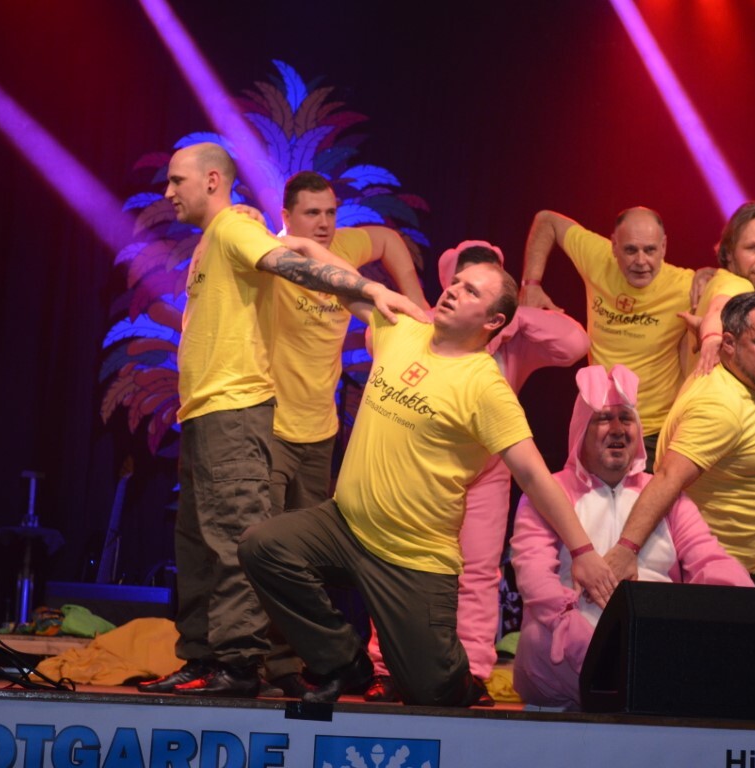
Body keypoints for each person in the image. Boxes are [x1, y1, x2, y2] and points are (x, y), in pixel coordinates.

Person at [238, 260, 617, 707]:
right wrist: (365, 285)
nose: (453, 291)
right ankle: (344, 663)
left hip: (413, 556)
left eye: (471, 291)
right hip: (343, 527)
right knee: (263, 547)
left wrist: (583, 552)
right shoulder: (402, 329)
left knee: (432, 693)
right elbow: (334, 279)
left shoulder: (485, 386)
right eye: (455, 282)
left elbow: (533, 474)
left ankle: (460, 682)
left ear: (494, 321)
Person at [136, 142, 426, 699]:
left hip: (236, 411)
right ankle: (203, 656)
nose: (168, 192)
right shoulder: (217, 236)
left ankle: (242, 663)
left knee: (233, 543)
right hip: (203, 413)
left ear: (213, 180)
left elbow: (285, 262)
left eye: (176, 180)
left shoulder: (232, 228)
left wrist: (371, 288)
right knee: (196, 545)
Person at [364, 241, 589, 703]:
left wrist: (515, 317)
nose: (464, 291)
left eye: (479, 288)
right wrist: (432, 319)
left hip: (487, 472)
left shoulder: (512, 339)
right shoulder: (428, 325)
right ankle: (387, 668)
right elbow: (375, 340)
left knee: (478, 572)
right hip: (423, 465)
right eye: (460, 283)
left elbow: (574, 343)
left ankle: (471, 672)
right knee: (395, 562)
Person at [262, 171, 430, 696]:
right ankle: (270, 665)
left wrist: (418, 304)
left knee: (306, 561)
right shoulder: (271, 253)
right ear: (286, 215)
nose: (324, 223)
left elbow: (388, 241)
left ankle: (304, 661)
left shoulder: (344, 246)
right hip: (270, 428)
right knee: (261, 549)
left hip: (320, 434)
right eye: (312, 213)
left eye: (331, 212)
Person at [511, 364, 753, 710]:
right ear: (580, 430)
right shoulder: (551, 492)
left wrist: (743, 604)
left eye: (626, 419)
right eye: (603, 419)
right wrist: (586, 645)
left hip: (655, 649)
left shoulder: (665, 497)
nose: (617, 429)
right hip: (572, 659)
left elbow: (708, 558)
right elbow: (535, 576)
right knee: (539, 638)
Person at [604, 291, 755, 590]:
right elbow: (667, 478)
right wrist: (626, 549)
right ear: (730, 344)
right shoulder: (721, 407)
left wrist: (708, 331)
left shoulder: (749, 375)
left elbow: (720, 300)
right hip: (718, 568)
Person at [519, 208, 699, 461]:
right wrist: (531, 284)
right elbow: (547, 220)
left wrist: (710, 277)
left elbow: (735, 285)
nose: (641, 261)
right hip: (599, 421)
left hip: (656, 430)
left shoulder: (686, 285)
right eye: (630, 250)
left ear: (664, 247)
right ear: (614, 246)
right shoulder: (598, 258)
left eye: (650, 250)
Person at [691, 201, 755, 374]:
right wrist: (712, 337)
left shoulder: (725, 280)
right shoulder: (736, 284)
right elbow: (719, 309)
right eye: (753, 248)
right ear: (729, 252)